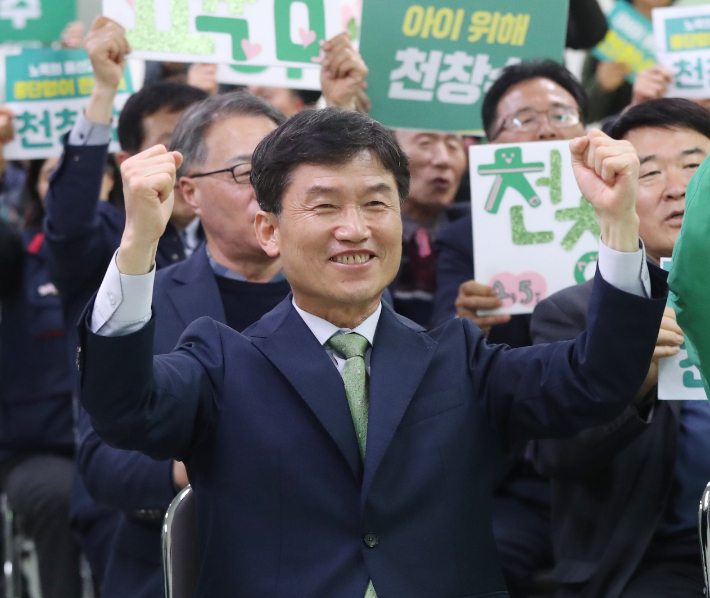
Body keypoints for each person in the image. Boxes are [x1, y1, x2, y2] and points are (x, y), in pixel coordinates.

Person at [77, 106, 667, 597]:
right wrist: (136, 248)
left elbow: (596, 380)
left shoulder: (458, 357)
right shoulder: (220, 361)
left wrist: (617, 228)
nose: (355, 228)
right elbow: (123, 410)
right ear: (270, 231)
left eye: (377, 204)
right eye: (326, 205)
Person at [76, 92, 291, 598]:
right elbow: (101, 459)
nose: (268, 188)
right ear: (189, 193)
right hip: (179, 566)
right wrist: (188, 469)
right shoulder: (136, 300)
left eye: (280, 167)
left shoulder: (346, 293)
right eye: (245, 173)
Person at [532, 98, 710, 598]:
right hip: (652, 558)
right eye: (649, 173)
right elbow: (554, 455)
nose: (680, 187)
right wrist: (628, 379)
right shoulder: (573, 314)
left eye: (696, 166)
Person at [430, 59, 588, 595]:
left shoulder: (635, 215)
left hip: (631, 465)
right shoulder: (465, 240)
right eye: (522, 120)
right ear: (490, 147)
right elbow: (434, 353)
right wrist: (464, 324)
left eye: (562, 114)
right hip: (520, 477)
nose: (546, 130)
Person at [0, 159, 89, 598]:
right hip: (40, 450)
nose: (67, 185)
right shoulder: (17, 260)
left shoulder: (134, 255)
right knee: (60, 496)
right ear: (35, 187)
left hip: (123, 444)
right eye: (51, 174)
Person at [388, 130, 468, 328]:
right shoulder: (361, 233)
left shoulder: (474, 237)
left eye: (453, 146)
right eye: (425, 143)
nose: (443, 160)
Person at [581, 0, 672, 124]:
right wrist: (601, 86)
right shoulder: (605, 31)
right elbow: (582, 114)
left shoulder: (681, 33)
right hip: (612, 133)